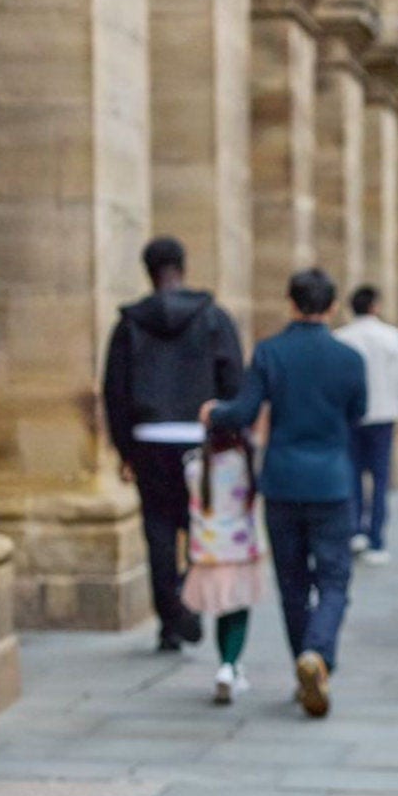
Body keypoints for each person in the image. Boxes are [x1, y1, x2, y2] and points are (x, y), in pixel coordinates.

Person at [203, 269, 368, 718]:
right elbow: (358, 413)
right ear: (333, 307)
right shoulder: (350, 359)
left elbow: (244, 411)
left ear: (291, 304)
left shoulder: (270, 352)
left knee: (292, 583)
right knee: (334, 580)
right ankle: (318, 655)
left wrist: (213, 412)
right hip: (332, 482)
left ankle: (304, 662)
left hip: (282, 481)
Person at [103, 236, 244, 652]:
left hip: (148, 439)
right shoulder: (214, 318)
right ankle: (187, 599)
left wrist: (125, 450)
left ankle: (169, 620)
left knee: (158, 528)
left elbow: (115, 392)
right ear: (182, 267)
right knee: (201, 525)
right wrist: (227, 434)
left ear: (149, 272)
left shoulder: (129, 324)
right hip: (199, 439)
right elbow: (233, 381)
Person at [333, 286, 398, 566]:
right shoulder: (391, 336)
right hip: (384, 415)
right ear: (375, 306)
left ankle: (355, 529)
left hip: (351, 417)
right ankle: (376, 540)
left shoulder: (341, 337)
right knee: (381, 479)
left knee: (352, 474)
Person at [181, 427, 268, 704]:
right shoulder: (245, 464)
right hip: (240, 550)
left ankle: (226, 665)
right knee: (238, 610)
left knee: (221, 612)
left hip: (209, 552)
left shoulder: (195, 467)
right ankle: (230, 665)